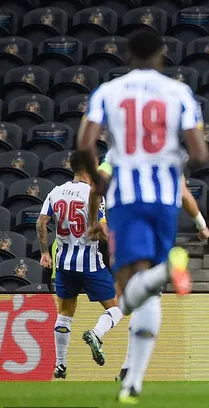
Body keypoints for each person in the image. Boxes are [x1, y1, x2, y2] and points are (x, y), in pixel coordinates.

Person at [76, 30, 208, 403]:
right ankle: (132, 382)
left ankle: (166, 271)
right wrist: (171, 169)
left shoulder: (107, 92)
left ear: (128, 54)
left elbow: (85, 143)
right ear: (162, 55)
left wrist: (100, 181)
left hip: (125, 199)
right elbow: (199, 153)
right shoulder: (179, 93)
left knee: (127, 290)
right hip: (164, 199)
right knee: (147, 292)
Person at [96, 151, 209, 382]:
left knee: (127, 297)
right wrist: (201, 225)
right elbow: (183, 193)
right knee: (145, 297)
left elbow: (98, 181)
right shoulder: (169, 151)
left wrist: (94, 219)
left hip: (127, 219)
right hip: (161, 221)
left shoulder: (117, 150)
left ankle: (128, 368)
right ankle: (129, 370)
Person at [37, 152, 124, 379]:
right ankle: (96, 333)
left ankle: (60, 365)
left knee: (65, 314)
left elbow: (41, 222)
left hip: (64, 264)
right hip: (90, 263)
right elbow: (101, 228)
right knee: (117, 308)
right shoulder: (94, 195)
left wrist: (45, 252)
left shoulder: (55, 192)